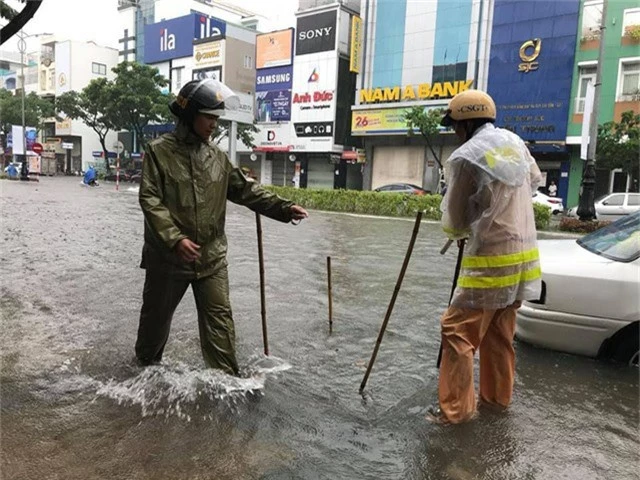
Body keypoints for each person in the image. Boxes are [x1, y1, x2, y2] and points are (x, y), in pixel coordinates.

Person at [135, 79, 308, 376]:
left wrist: (283, 207)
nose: (214, 125)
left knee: (220, 323)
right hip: (168, 260)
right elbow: (150, 198)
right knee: (155, 324)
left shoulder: (217, 157)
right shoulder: (158, 152)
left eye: (217, 119)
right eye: (209, 118)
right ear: (189, 116)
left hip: (211, 259)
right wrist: (175, 239)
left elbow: (246, 190)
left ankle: (226, 385)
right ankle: (142, 374)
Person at [430, 90, 542, 424]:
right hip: (523, 256)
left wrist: (460, 230)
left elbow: (456, 217)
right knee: (499, 333)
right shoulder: (514, 143)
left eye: (454, 126)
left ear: (464, 124)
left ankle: (455, 414)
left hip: (492, 257)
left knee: (457, 331)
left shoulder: (468, 155)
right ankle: (496, 403)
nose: (454, 132)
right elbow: (534, 181)